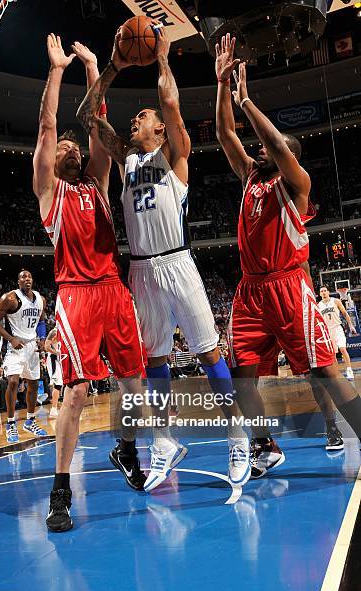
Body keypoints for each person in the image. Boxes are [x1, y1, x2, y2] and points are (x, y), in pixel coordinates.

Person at [77, 25, 244, 490]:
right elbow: (87, 114)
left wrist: (163, 57)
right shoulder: (126, 157)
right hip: (141, 269)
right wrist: (112, 62)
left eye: (143, 116)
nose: (137, 118)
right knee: (154, 361)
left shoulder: (175, 154)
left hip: (177, 262)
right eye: (137, 117)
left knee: (208, 352)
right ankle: (164, 442)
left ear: (159, 130)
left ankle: (237, 435)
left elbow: (170, 105)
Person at [215, 34, 361, 476]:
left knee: (323, 371)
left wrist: (248, 104)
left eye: (269, 148)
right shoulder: (249, 178)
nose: (260, 150)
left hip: (289, 286)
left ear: (291, 159)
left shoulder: (296, 186)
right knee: (240, 377)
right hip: (251, 290)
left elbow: (278, 145)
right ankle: (264, 444)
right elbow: (223, 134)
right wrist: (223, 85)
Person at [33, 35, 146, 532]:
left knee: (135, 386)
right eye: (64, 148)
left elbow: (94, 125)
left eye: (75, 147)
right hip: (76, 294)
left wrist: (96, 66)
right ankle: (61, 492)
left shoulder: (97, 182)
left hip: (114, 289)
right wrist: (58, 70)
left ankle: (123, 447)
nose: (71, 148)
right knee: (76, 394)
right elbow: (49, 125)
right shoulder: (49, 191)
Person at [0, 269, 48, 444]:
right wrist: (11, 338)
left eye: (29, 276)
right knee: (14, 381)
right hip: (13, 345)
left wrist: (42, 339)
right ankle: (10, 423)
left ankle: (30, 421)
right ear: (18, 282)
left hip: (31, 345)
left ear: (33, 280)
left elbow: (42, 321)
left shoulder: (40, 299)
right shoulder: (9, 298)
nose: (27, 279)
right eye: (23, 277)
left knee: (32, 383)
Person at [318, 286, 356, 380]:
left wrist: (351, 325)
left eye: (325, 291)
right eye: (321, 291)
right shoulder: (318, 305)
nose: (323, 292)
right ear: (320, 294)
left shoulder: (336, 301)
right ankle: (336, 373)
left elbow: (345, 314)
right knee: (333, 354)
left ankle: (349, 370)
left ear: (328, 292)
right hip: (327, 331)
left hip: (337, 328)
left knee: (342, 349)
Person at [44, 327, 63, 418]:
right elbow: (46, 347)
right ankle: (53, 410)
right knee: (58, 384)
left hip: (62, 360)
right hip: (53, 360)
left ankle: (63, 408)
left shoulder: (66, 330)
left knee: (65, 383)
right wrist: (56, 353)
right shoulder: (54, 332)